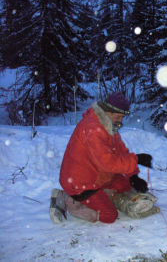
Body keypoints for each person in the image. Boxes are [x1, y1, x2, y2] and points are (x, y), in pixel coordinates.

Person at [50, 92, 159, 224]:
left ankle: (103, 195)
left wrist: (133, 176)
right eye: (119, 117)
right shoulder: (92, 128)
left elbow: (121, 152)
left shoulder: (107, 125)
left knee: (125, 185)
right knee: (109, 216)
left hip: (97, 174)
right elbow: (108, 163)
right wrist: (136, 159)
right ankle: (67, 198)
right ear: (108, 111)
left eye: (122, 117)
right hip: (80, 183)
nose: (120, 120)